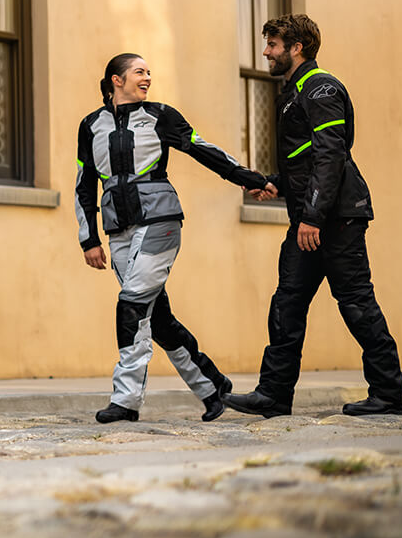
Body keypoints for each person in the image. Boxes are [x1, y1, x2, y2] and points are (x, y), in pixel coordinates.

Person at [224, 14, 402, 418]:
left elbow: (331, 155)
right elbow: (303, 161)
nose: (267, 52)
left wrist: (312, 217)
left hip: (335, 218)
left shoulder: (321, 88)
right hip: (310, 216)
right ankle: (273, 394)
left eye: (273, 45)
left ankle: (389, 395)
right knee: (286, 303)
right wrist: (275, 183)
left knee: (356, 303)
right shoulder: (293, 92)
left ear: (297, 48)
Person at [76, 53, 266, 423]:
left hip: (160, 219)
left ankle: (126, 400)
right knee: (157, 318)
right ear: (117, 80)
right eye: (139, 72)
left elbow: (203, 149)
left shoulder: (161, 116)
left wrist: (251, 180)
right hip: (118, 232)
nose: (147, 77)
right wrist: (89, 239)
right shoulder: (90, 125)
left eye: (149, 72)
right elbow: (84, 185)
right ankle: (214, 389)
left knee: (131, 305)